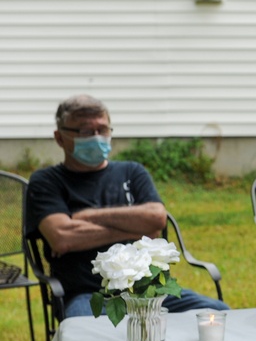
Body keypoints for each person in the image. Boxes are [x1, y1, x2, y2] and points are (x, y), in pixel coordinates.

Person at [25, 94, 230, 318]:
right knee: (83, 336)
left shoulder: (132, 172)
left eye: (102, 130)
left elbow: (156, 219)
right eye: (85, 131)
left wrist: (85, 217)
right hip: (87, 295)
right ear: (60, 137)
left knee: (220, 313)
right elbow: (63, 236)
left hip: (150, 291)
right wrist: (137, 228)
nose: (96, 137)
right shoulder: (46, 181)